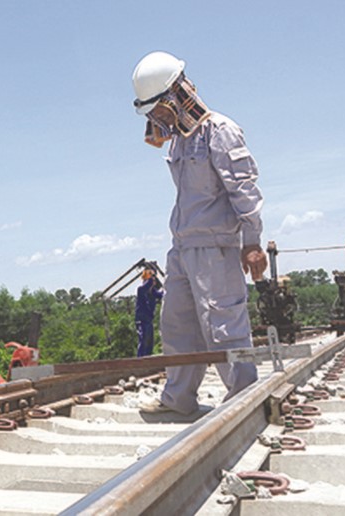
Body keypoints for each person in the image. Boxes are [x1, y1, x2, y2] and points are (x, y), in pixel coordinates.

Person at [131, 51, 268, 414]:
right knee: (178, 327)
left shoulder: (220, 131)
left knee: (223, 327)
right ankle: (179, 398)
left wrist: (252, 241)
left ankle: (244, 400)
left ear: (176, 96)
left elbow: (245, 189)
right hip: (183, 247)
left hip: (216, 247)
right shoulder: (179, 139)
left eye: (159, 108)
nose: (157, 118)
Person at [135, 268, 164, 357]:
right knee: (144, 340)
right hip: (142, 319)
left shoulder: (152, 291)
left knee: (149, 341)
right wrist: (152, 276)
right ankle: (140, 361)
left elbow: (161, 295)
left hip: (148, 319)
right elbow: (147, 285)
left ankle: (147, 359)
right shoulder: (141, 289)